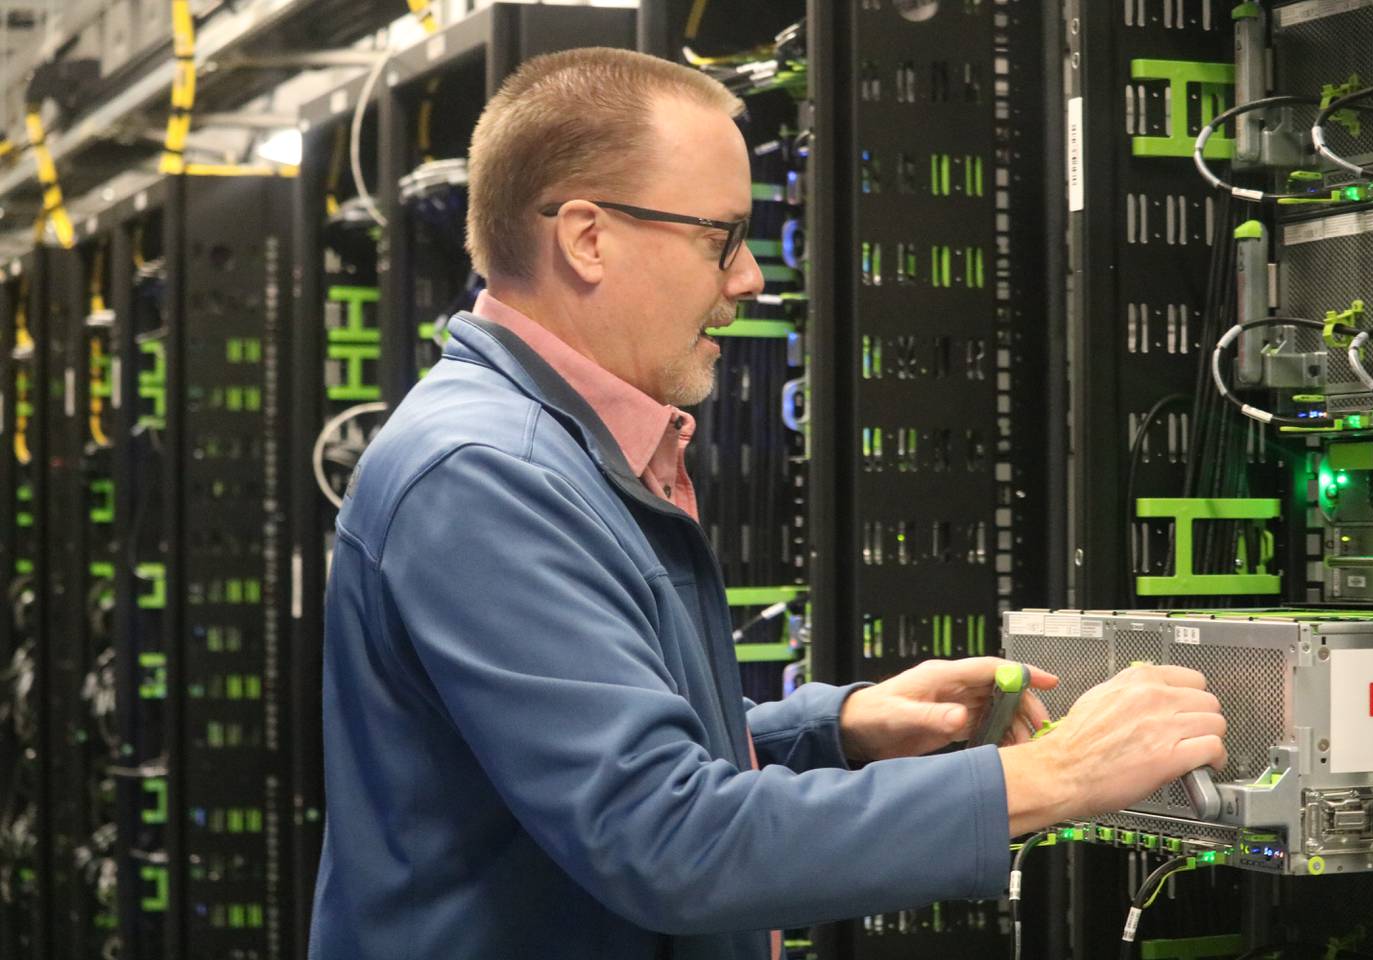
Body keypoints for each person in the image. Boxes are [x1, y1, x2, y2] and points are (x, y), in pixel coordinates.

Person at [308, 47, 1227, 960]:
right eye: (722, 239)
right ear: (587, 237)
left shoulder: (556, 449)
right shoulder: (486, 477)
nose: (747, 278)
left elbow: (572, 764)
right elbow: (666, 839)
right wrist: (1055, 775)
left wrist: (834, 731)